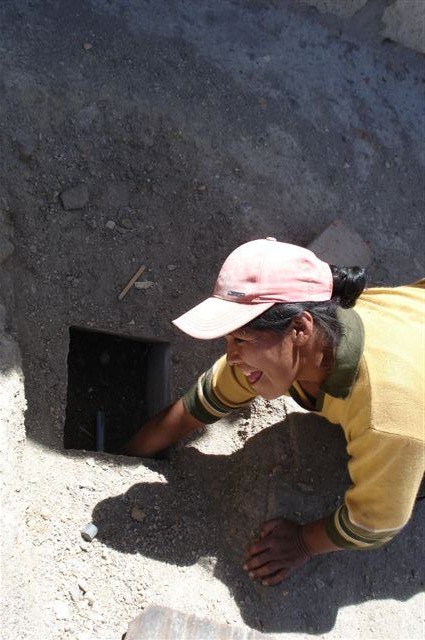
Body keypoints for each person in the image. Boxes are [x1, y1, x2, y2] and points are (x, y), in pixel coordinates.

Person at [122, 237, 425, 585]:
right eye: (228, 340)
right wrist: (128, 453)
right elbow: (198, 406)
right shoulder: (283, 345)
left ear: (300, 328)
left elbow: (377, 522)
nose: (232, 356)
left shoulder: (387, 419)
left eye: (241, 340)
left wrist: (303, 542)